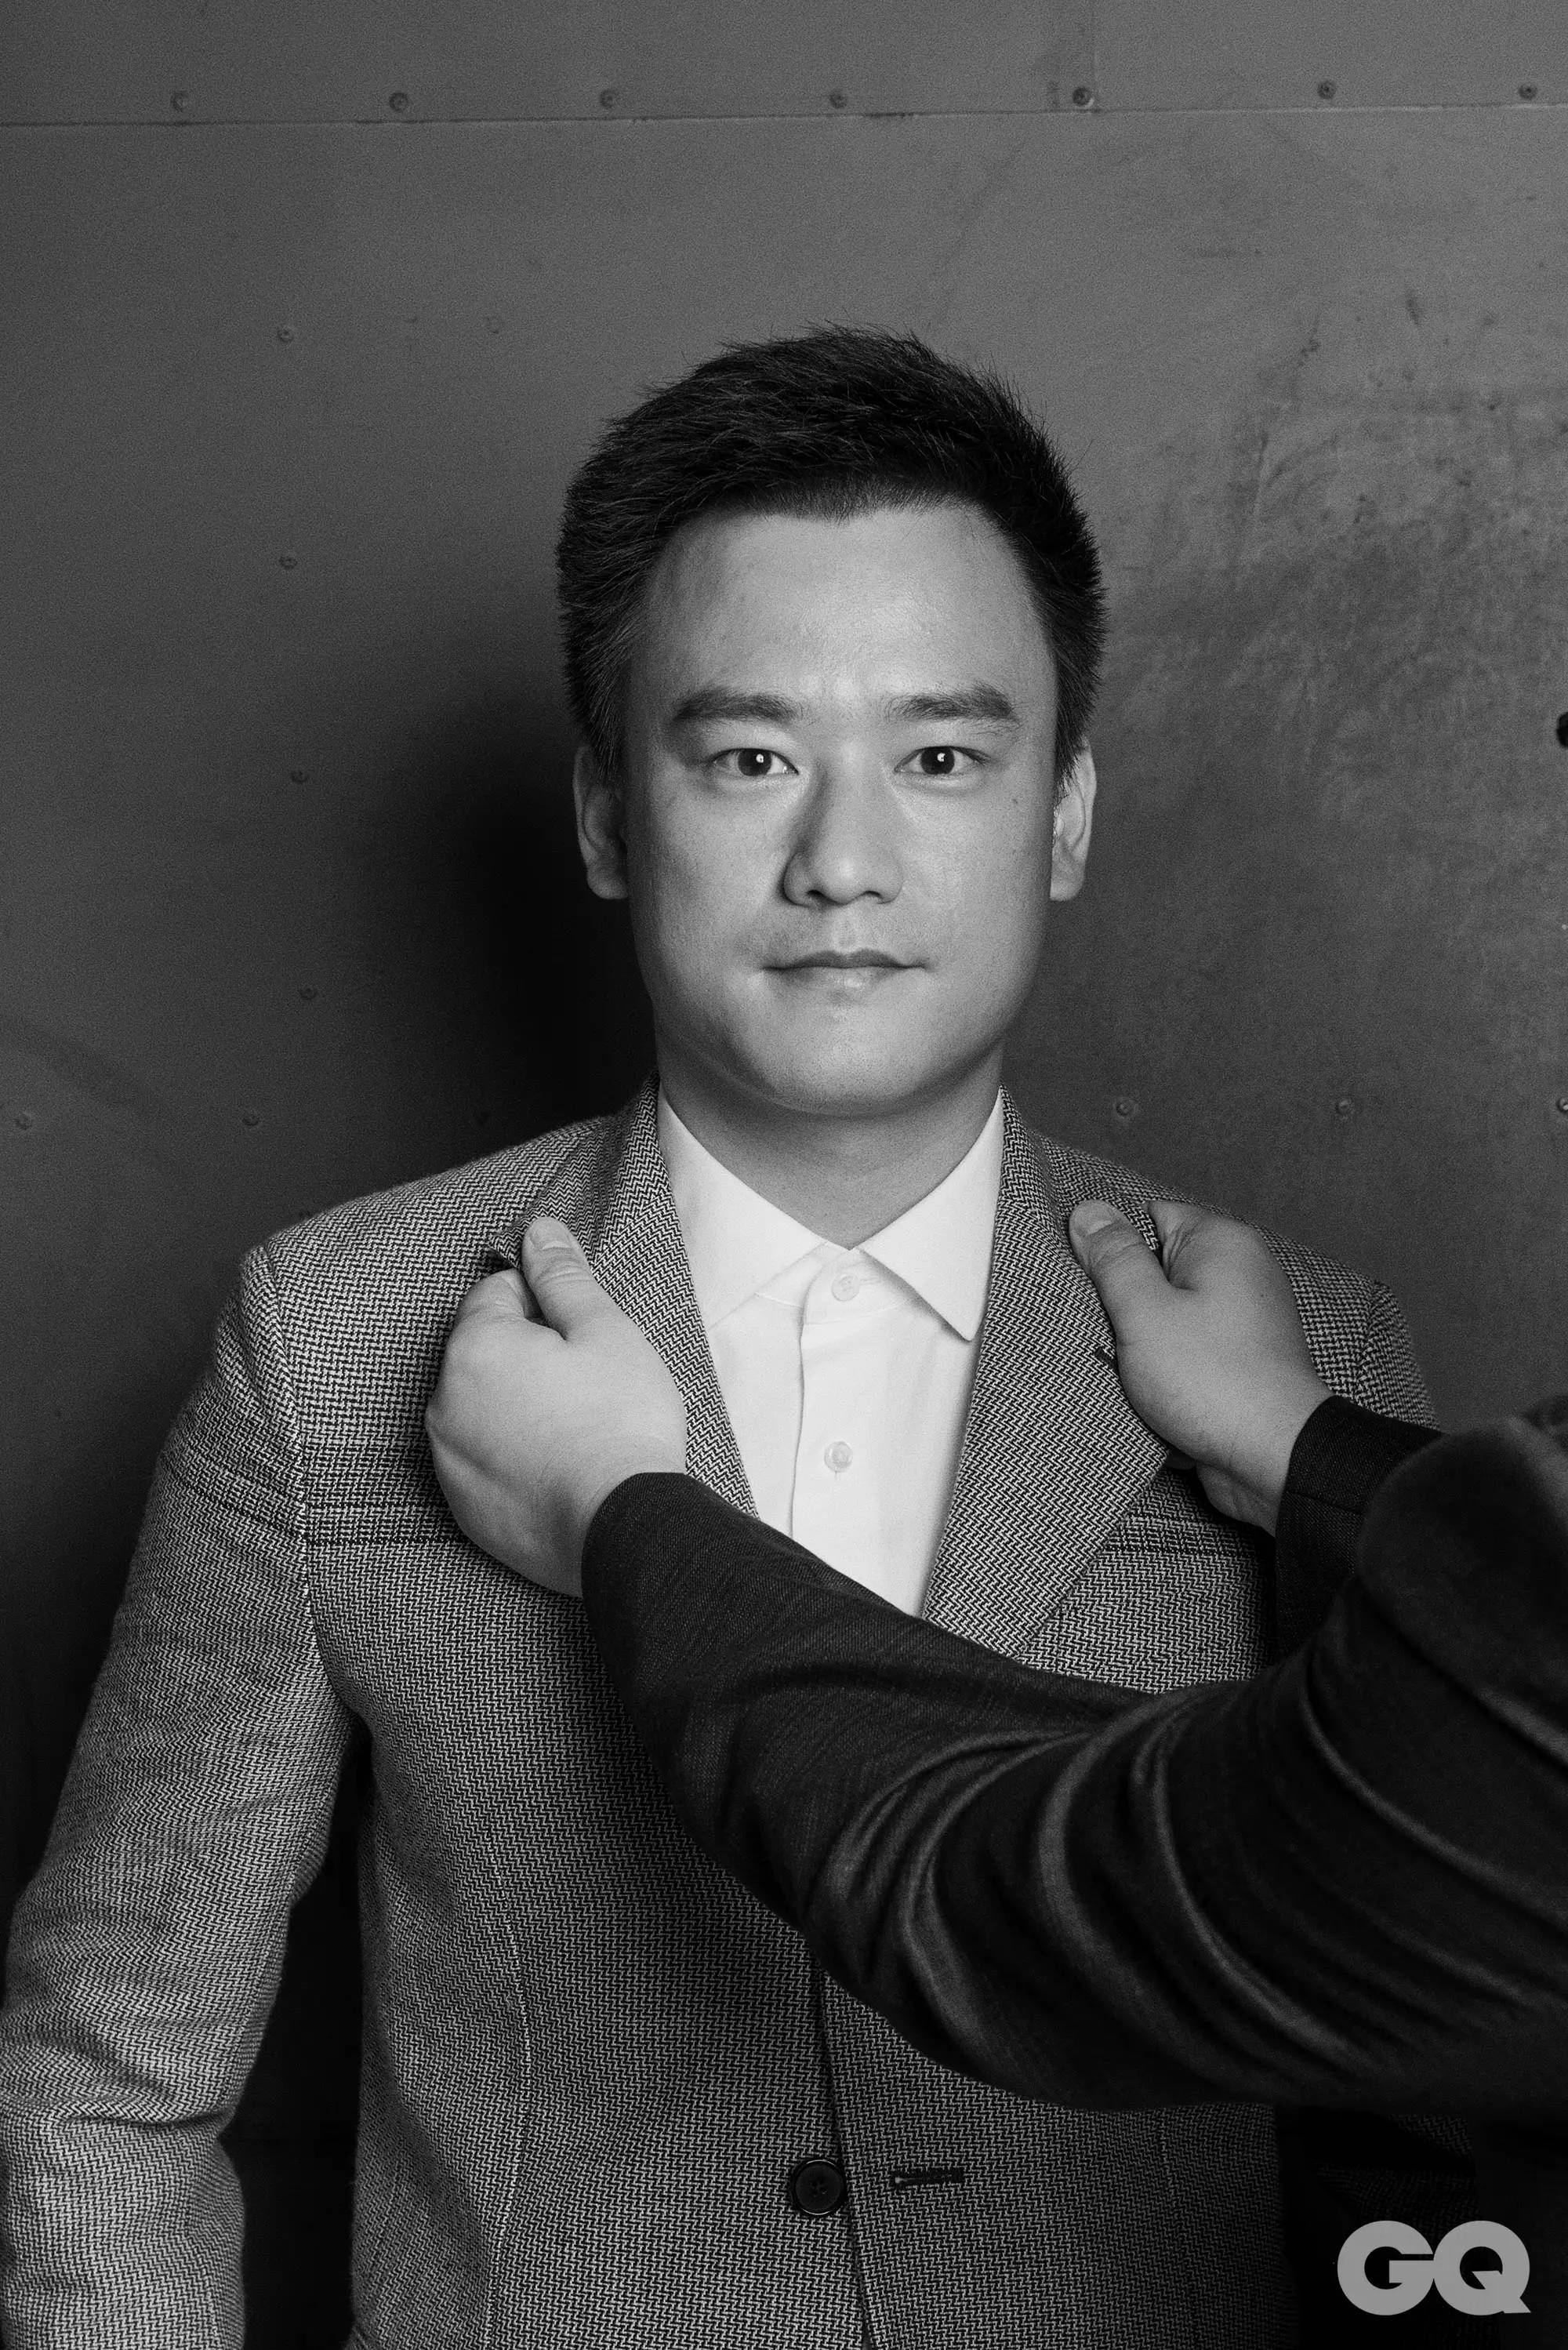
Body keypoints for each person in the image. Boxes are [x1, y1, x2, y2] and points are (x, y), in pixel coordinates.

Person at [0, 328, 1458, 2348]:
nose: (841, 860)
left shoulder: (1306, 1367)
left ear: (1063, 813)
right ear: (611, 813)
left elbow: (1444, 2055)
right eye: (749, 756)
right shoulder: (331, 1344)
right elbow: (107, 2070)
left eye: (941, 758)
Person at [426, 1203, 1568, 2334]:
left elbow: (1040, 1891)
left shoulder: (1340, 1319)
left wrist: (614, 1507)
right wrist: (1309, 1451)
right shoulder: (351, 1305)